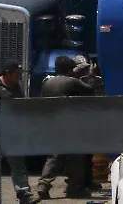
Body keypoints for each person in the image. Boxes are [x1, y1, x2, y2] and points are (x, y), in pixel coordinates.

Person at [36, 56, 100, 200]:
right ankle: (74, 188)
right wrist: (91, 74)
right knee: (77, 157)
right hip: (71, 125)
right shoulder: (72, 82)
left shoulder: (47, 83)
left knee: (54, 157)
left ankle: (43, 186)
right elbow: (90, 90)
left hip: (54, 124)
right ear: (70, 69)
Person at [0, 60, 38, 204]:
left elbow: (20, 105)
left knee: (18, 163)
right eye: (17, 74)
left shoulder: (16, 87)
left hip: (12, 131)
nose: (19, 77)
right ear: (7, 73)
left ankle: (24, 194)